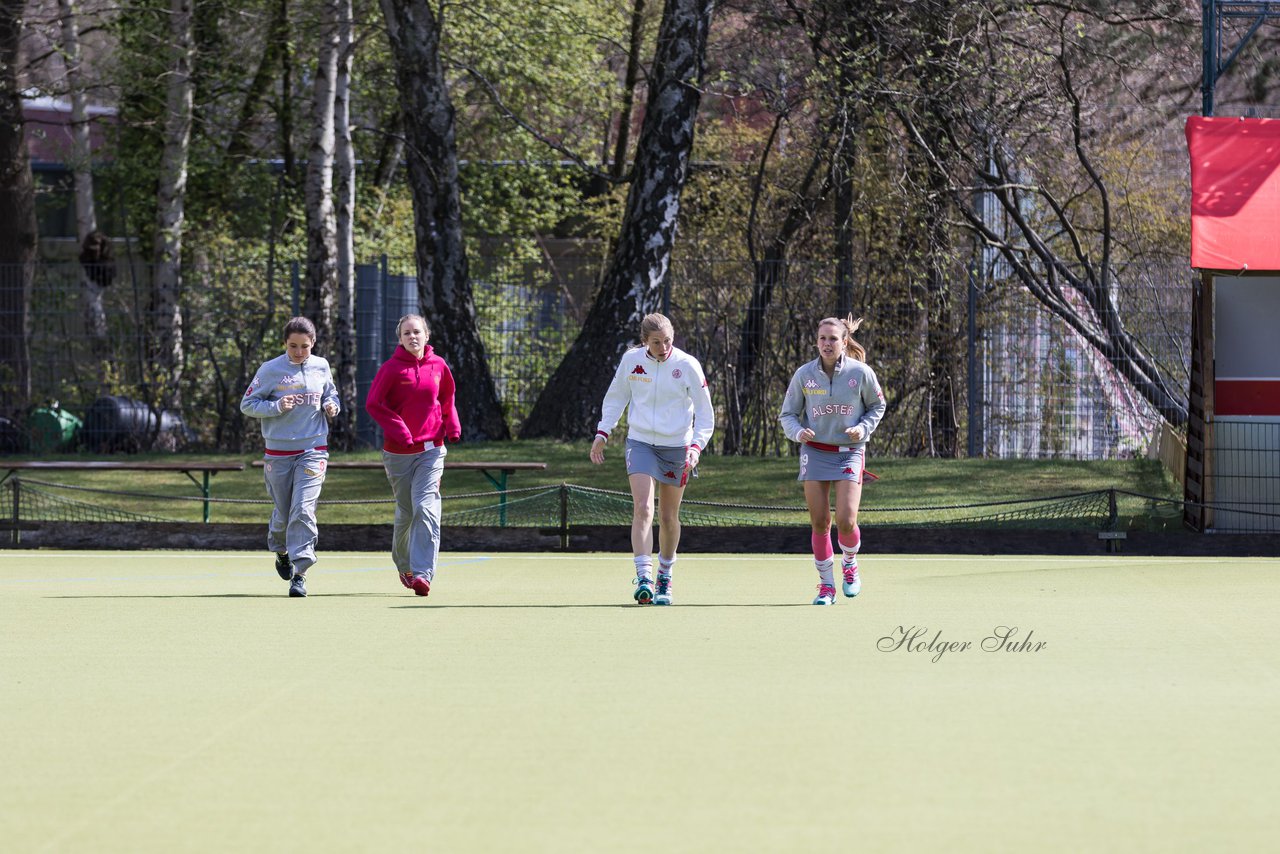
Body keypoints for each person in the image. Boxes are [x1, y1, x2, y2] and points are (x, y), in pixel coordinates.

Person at [590, 313, 714, 606]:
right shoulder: (631, 361)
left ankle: (665, 576)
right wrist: (603, 432)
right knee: (644, 508)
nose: (663, 347)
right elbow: (616, 397)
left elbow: (706, 413)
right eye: (656, 342)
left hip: (677, 447)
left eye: (668, 341)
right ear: (644, 341)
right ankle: (644, 576)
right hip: (640, 442)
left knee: (669, 517)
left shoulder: (687, 365)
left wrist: (696, 447)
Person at [779, 315, 886, 605]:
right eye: (822, 339)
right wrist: (798, 432)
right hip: (814, 452)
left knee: (846, 520)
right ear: (816, 341)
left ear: (844, 342)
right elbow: (787, 414)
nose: (827, 344)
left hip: (850, 452)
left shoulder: (860, 372)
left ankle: (850, 564)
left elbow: (877, 406)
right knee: (820, 521)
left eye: (833, 339)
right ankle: (826, 586)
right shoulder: (804, 374)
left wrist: (861, 429)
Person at [240, 316, 340, 598]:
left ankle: (300, 574)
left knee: (303, 510)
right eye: (293, 346)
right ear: (285, 343)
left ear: (313, 344)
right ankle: (281, 550)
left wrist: (332, 406)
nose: (299, 352)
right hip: (278, 453)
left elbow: (331, 395)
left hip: (313, 451)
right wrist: (276, 406)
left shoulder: (321, 366)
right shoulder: (270, 370)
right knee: (284, 514)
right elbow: (248, 405)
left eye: (305, 347)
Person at [365, 314, 461, 598]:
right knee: (407, 511)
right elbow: (374, 404)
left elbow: (447, 399)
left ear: (427, 335)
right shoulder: (391, 369)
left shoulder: (439, 365)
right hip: (398, 454)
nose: (412, 337)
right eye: (407, 333)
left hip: (432, 450)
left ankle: (423, 575)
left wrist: (452, 425)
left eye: (417, 332)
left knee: (426, 507)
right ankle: (404, 564)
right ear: (400, 339)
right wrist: (401, 431)